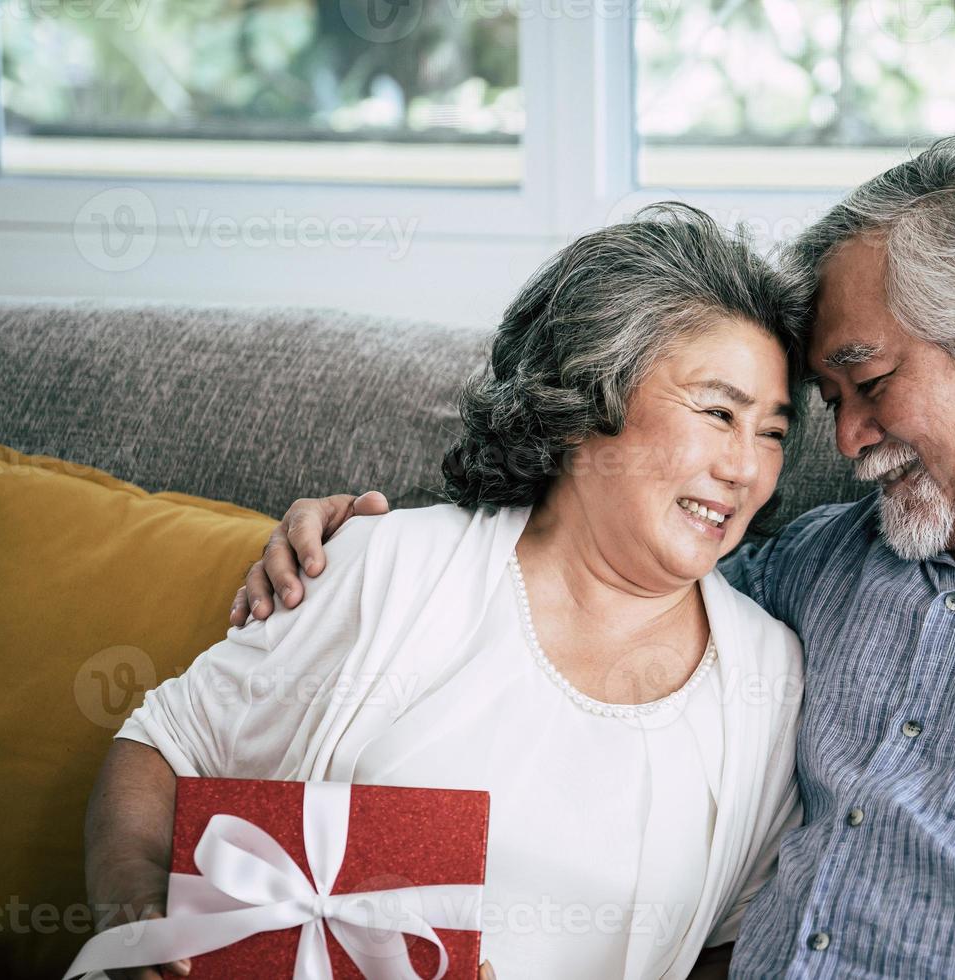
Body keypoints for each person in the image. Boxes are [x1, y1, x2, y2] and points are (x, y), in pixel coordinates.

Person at [235, 136, 955, 978]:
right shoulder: (826, 557)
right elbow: (598, 573)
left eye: (870, 381)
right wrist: (381, 539)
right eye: (826, 402)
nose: (842, 444)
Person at [82, 205, 808, 980]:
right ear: (584, 402)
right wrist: (141, 930)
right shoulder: (395, 567)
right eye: (718, 412)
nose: (746, 468)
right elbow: (164, 747)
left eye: (771, 431)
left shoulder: (768, 680)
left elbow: (729, 945)